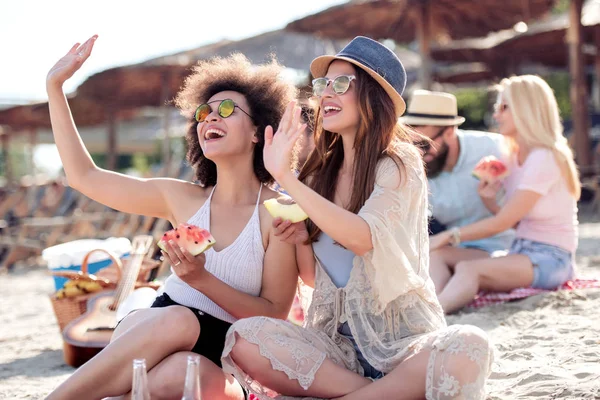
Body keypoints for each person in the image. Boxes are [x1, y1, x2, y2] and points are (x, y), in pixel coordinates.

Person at [219, 36, 494, 400]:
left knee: (470, 345)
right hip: (338, 351)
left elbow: (364, 238)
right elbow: (316, 279)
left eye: (341, 84)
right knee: (243, 336)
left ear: (374, 96)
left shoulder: (399, 164)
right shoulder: (318, 176)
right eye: (322, 85)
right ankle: (375, 394)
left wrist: (285, 178)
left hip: (403, 344)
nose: (326, 94)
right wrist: (302, 239)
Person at [45, 35, 299, 400]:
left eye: (226, 110)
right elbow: (83, 177)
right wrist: (55, 88)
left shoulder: (279, 212)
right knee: (177, 322)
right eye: (203, 112)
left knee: (180, 375)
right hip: (158, 326)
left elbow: (274, 316)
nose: (210, 116)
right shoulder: (179, 197)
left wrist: (202, 279)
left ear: (259, 131)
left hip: (228, 354)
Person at [429, 75, 580, 314]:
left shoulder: (545, 157)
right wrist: (490, 200)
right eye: (497, 107)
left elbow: (504, 223)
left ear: (526, 109)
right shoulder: (512, 155)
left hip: (551, 258)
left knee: (469, 269)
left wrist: (448, 235)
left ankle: (433, 317)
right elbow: (518, 221)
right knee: (436, 254)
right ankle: (430, 306)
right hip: (519, 250)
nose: (496, 115)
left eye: (504, 107)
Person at [399, 90, 514, 295]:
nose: (418, 154)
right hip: (456, 251)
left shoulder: (497, 149)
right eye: (412, 144)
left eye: (424, 145)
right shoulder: (411, 167)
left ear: (450, 132)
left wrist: (494, 203)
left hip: (507, 248)